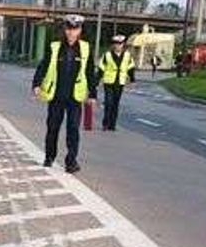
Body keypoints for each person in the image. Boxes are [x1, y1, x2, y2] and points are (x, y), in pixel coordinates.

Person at [32, 14, 99, 174]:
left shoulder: (85, 48)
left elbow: (90, 73)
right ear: (65, 29)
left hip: (75, 97)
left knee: (73, 129)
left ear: (80, 30)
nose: (71, 32)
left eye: (75, 29)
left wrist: (92, 95)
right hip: (56, 95)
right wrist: (36, 84)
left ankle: (71, 161)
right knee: (52, 128)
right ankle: (49, 156)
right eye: (69, 28)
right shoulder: (54, 47)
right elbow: (43, 66)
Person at [99, 34, 134, 131]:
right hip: (109, 82)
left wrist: (132, 80)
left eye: (120, 44)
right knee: (109, 103)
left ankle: (112, 125)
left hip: (120, 82)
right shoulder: (107, 55)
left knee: (115, 104)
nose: (118, 46)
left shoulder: (127, 55)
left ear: (123, 44)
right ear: (113, 45)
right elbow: (101, 68)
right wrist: (97, 80)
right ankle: (105, 123)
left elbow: (130, 68)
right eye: (116, 44)